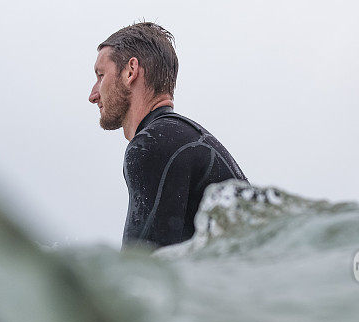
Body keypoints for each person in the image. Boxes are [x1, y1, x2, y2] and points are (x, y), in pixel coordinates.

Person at [89, 22, 248, 249]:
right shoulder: (183, 138)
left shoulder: (153, 144)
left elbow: (142, 269)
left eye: (101, 75)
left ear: (130, 71)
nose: (93, 95)